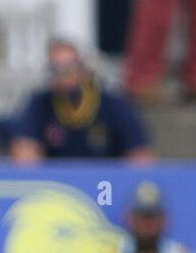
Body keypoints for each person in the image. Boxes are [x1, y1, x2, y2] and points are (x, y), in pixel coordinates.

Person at [9, 39, 155, 163]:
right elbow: (24, 151)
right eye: (56, 70)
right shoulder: (40, 103)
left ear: (83, 69)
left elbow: (140, 155)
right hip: (57, 188)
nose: (64, 76)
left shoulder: (112, 103)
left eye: (70, 68)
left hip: (105, 187)